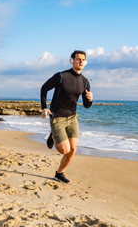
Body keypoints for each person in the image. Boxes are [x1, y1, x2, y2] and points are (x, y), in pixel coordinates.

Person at [40, 50, 93, 183]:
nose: (80, 61)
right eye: (78, 59)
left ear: (85, 62)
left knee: (73, 150)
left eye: (83, 59)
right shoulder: (61, 76)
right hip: (57, 117)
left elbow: (86, 105)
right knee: (65, 150)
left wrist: (90, 99)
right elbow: (44, 88)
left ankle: (59, 173)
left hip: (72, 118)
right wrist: (44, 107)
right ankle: (53, 135)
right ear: (72, 61)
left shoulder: (85, 82)